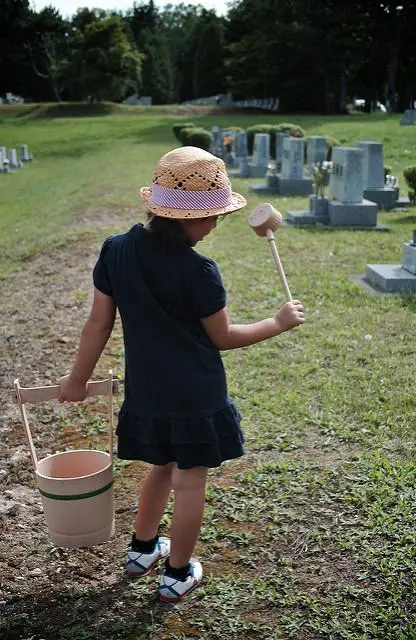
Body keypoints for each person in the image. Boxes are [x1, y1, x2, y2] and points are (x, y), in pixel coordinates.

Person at [58, 146, 305, 602]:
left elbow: (98, 323)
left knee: (159, 469)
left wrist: (77, 379)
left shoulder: (116, 251)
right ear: (183, 219)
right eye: (212, 217)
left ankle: (142, 550)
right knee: (190, 481)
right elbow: (223, 337)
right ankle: (176, 574)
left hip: (148, 391)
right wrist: (278, 322)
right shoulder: (199, 271)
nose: (215, 226)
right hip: (195, 394)